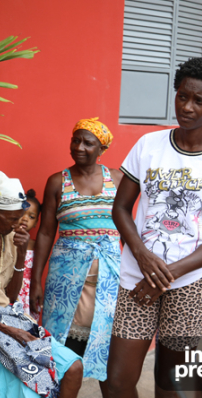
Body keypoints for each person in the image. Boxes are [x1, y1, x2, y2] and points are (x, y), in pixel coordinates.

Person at [107, 57, 202, 397]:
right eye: (181, 96)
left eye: (198, 101)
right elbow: (120, 208)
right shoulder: (149, 145)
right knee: (116, 382)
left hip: (190, 284)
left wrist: (167, 275)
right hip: (137, 279)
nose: (187, 107)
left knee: (177, 386)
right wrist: (143, 258)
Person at [0, 171, 83, 398]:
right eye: (13, 218)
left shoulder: (11, 238)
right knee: (28, 384)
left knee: (73, 367)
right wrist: (8, 330)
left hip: (7, 315)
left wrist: (22, 253)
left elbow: (11, 296)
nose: (19, 223)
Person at [29, 118, 122, 396]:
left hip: (109, 285)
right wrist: (36, 280)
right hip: (65, 285)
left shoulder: (117, 179)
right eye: (75, 140)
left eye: (88, 143)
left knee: (110, 350)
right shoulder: (58, 181)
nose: (79, 147)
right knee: (63, 349)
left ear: (101, 148)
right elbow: (45, 233)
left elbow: (129, 230)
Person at [18, 189, 41, 321]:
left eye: (31, 217)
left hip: (28, 293)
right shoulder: (6, 240)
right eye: (22, 213)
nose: (25, 218)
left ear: (36, 223)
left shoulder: (36, 246)